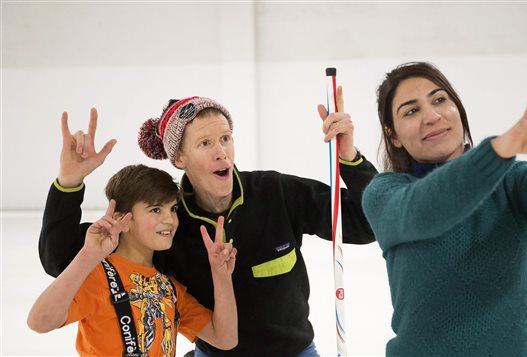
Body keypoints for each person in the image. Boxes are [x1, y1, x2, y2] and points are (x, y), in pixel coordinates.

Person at [39, 89, 377, 356]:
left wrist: (350, 158)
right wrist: (69, 183)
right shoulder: (168, 224)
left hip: (295, 351)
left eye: (225, 138)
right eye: (205, 143)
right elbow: (61, 259)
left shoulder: (277, 192)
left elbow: (370, 224)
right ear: (179, 158)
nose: (222, 153)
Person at [361, 31, 527, 356]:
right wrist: (502, 147)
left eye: (440, 100)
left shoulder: (510, 182)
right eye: (410, 111)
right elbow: (430, 208)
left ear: (458, 108)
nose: (431, 116)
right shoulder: (385, 195)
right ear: (393, 136)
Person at [29, 164, 238, 356]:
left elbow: (225, 339)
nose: (169, 219)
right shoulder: (99, 277)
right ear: (122, 220)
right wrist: (88, 255)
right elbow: (39, 322)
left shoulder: (170, 288)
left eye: (172, 209)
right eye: (156, 209)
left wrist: (221, 276)